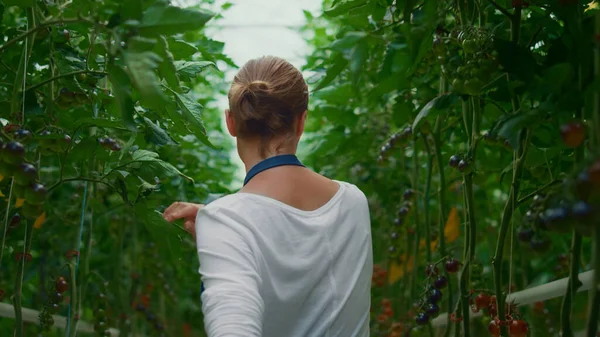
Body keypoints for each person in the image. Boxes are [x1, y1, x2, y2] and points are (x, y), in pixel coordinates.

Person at [162, 56, 373, 337]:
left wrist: (226, 230)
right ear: (302, 122)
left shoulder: (226, 221)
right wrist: (225, 230)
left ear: (230, 122)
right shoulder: (353, 201)